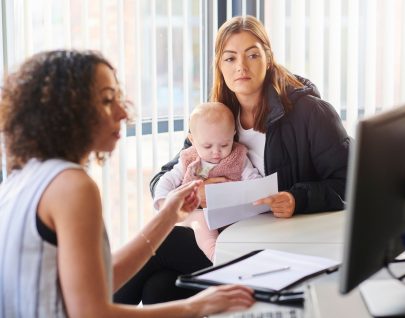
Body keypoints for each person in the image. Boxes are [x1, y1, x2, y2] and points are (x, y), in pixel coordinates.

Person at [115, 15, 350, 305]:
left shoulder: (311, 114)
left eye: (252, 54)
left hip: (278, 246)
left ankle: (87, 309)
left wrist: (295, 198)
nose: (241, 66)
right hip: (227, 239)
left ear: (269, 58)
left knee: (160, 244)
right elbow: (168, 173)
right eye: (230, 58)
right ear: (219, 66)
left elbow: (350, 183)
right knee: (160, 288)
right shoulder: (219, 116)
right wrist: (196, 195)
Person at [0, 50, 255, 317]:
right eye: (107, 101)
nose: (123, 112)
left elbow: (95, 282)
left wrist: (168, 215)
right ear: (68, 113)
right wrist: (199, 305)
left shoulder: (22, 178)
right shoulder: (72, 186)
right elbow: (91, 313)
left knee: (161, 287)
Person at [154, 101, 261, 261]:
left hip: (231, 213)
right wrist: (164, 202)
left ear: (233, 134)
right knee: (201, 222)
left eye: (224, 144)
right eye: (207, 146)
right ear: (192, 139)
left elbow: (254, 180)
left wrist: (251, 193)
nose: (216, 152)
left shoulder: (238, 157)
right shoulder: (189, 159)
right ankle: (215, 255)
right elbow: (167, 180)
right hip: (198, 213)